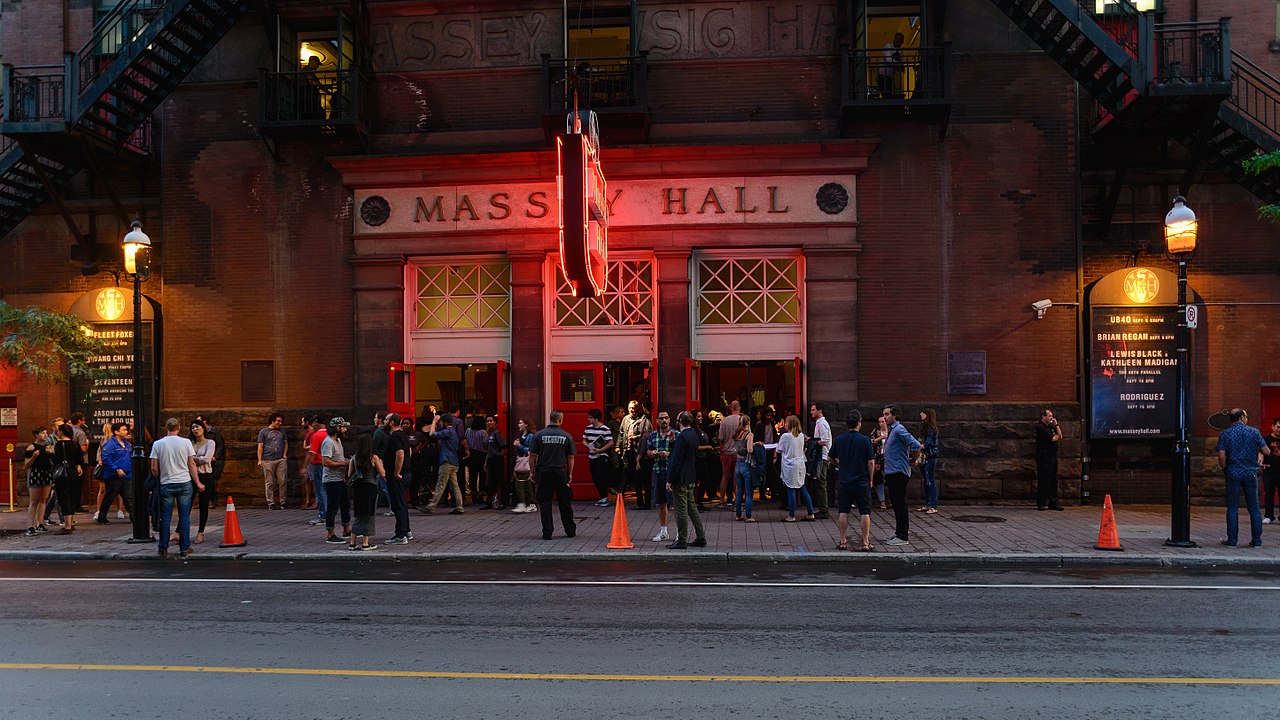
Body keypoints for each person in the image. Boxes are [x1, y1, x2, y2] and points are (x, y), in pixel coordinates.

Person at [1215, 408, 1270, 547]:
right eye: (1246, 416)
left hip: (1233, 472)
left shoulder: (1225, 434)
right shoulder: (1254, 432)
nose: (1247, 419)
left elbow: (1221, 456)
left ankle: (1232, 540)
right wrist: (1257, 450)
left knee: (1233, 507)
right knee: (1254, 508)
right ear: (1241, 418)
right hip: (1250, 473)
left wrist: (1224, 467)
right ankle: (1256, 540)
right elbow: (1267, 451)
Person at [150, 418, 203, 559]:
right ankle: (184, 548)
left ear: (166, 428)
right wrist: (197, 482)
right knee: (184, 517)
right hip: (184, 482)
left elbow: (154, 468)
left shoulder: (157, 444)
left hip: (166, 482)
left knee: (165, 517)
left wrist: (158, 476)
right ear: (178, 427)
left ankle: (163, 548)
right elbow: (191, 464)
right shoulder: (186, 442)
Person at [829, 410, 877, 552]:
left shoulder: (839, 440)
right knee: (864, 511)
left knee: (843, 511)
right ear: (859, 423)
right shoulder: (865, 440)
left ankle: (843, 541)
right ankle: (865, 542)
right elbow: (871, 462)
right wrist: (871, 479)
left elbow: (830, 457)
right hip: (861, 480)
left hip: (845, 480)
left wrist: (839, 463)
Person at [529, 409, 576, 540]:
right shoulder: (566, 436)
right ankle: (570, 530)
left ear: (550, 419)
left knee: (545, 502)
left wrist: (532, 472)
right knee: (564, 501)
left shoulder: (538, 435)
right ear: (560, 420)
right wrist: (570, 473)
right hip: (560, 472)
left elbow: (532, 456)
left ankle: (547, 532)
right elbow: (570, 457)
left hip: (544, 472)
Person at [665, 411, 707, 549]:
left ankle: (681, 539)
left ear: (680, 421)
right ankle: (700, 536)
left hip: (680, 478)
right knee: (692, 508)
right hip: (690, 475)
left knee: (681, 509)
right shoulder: (693, 435)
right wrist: (673, 442)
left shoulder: (682, 437)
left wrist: (670, 479)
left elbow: (676, 459)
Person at [881, 405, 921, 545]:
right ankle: (898, 532)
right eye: (884, 415)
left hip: (899, 472)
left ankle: (903, 536)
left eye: (887, 414)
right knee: (896, 504)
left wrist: (913, 460)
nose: (885, 417)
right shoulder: (892, 430)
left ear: (894, 416)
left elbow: (916, 445)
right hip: (892, 472)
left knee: (900, 504)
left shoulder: (899, 429)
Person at [424, 412, 465, 515]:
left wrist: (434, 421)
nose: (440, 424)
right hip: (454, 462)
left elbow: (432, 434)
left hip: (446, 461)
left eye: (441, 422)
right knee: (455, 486)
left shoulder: (448, 432)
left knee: (440, 485)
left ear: (445, 422)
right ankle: (459, 506)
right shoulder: (453, 432)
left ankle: (432, 506)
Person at [347, 432, 383, 551]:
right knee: (369, 514)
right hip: (370, 488)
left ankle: (352, 542)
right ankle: (365, 543)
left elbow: (349, 474)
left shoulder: (354, 458)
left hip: (358, 488)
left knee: (358, 514)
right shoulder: (373, 458)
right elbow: (382, 473)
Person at [380, 413, 411, 544]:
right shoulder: (403, 435)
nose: (384, 421)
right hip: (406, 473)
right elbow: (409, 451)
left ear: (392, 422)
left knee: (398, 504)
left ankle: (400, 535)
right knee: (402, 503)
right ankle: (406, 531)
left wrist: (396, 472)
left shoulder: (394, 437)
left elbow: (400, 454)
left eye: (386, 420)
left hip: (398, 476)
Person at [778, 415, 815, 522]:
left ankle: (792, 515)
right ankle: (810, 512)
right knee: (802, 488)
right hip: (800, 464)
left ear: (790, 424)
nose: (785, 424)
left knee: (790, 489)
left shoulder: (785, 436)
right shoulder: (801, 436)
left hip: (790, 465)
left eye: (786, 422)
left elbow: (779, 449)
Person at [646, 411, 676, 541]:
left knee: (675, 504)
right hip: (658, 471)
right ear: (657, 421)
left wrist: (668, 454)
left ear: (669, 420)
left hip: (672, 473)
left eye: (666, 418)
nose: (664, 420)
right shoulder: (653, 435)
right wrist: (652, 452)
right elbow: (647, 451)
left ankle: (680, 533)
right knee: (661, 503)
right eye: (661, 419)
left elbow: (679, 453)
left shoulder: (676, 434)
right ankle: (663, 531)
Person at [321, 417, 352, 544]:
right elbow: (326, 461)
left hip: (340, 478)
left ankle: (346, 529)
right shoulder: (328, 442)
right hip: (331, 480)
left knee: (345, 505)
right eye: (343, 427)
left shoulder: (338, 440)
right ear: (337, 428)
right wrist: (343, 463)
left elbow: (338, 457)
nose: (345, 429)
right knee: (333, 506)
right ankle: (330, 533)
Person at [96, 422, 133, 525]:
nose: (126, 432)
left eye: (126, 430)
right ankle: (102, 517)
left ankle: (134, 517)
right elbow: (106, 459)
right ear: (116, 432)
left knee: (128, 496)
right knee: (110, 496)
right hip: (113, 476)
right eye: (124, 430)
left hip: (127, 474)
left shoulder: (127, 444)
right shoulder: (110, 444)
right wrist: (116, 469)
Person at [619, 401, 653, 509]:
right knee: (634, 477)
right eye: (630, 408)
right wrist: (618, 446)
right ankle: (639, 502)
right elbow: (621, 433)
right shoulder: (625, 419)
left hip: (641, 452)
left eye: (633, 408)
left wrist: (636, 437)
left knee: (643, 479)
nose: (631, 410)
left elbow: (647, 434)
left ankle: (645, 503)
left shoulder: (644, 420)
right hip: (629, 451)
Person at [21, 427, 54, 537]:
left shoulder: (47, 447)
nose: (45, 435)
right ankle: (30, 526)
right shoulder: (31, 447)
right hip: (35, 473)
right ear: (36, 435)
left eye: (46, 433)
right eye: (42, 433)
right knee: (34, 500)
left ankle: (40, 523)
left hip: (46, 473)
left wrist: (52, 454)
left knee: (43, 499)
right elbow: (26, 466)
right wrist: (34, 457)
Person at [51, 424, 83, 534]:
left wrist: (50, 454)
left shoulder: (60, 444)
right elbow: (80, 458)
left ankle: (67, 526)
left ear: (62, 432)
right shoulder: (75, 443)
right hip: (73, 472)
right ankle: (71, 522)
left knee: (63, 498)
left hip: (63, 473)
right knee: (72, 496)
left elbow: (56, 460)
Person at [190, 419, 217, 544]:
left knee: (203, 505)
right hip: (191, 477)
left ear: (203, 428)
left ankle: (200, 532)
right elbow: (185, 459)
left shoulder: (210, 442)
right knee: (186, 505)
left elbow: (206, 459)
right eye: (193, 427)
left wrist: (192, 459)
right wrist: (195, 459)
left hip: (205, 476)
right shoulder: (189, 443)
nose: (195, 429)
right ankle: (178, 531)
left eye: (197, 427)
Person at [583, 409, 615, 507]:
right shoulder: (588, 428)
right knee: (595, 477)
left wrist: (601, 450)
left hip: (602, 456)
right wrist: (588, 445)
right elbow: (584, 440)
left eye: (590, 417)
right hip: (592, 455)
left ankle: (604, 497)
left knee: (601, 476)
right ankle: (602, 497)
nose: (588, 419)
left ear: (596, 418)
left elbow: (610, 442)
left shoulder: (605, 429)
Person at [257, 413, 289, 510]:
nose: (280, 423)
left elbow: (286, 443)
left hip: (280, 460)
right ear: (272, 421)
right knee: (269, 482)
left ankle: (283, 502)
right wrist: (259, 459)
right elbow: (260, 446)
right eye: (278, 421)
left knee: (282, 481)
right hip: (267, 460)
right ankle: (271, 502)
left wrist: (284, 455)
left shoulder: (282, 431)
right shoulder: (263, 432)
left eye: (281, 421)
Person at [1035, 409, 1064, 511]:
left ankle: (1053, 502)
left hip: (1052, 456)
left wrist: (1056, 425)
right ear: (1043, 417)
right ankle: (1041, 502)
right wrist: (1056, 435)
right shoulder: (1040, 427)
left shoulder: (1050, 427)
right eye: (1049, 416)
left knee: (1053, 480)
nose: (1051, 418)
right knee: (1044, 479)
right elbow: (1054, 438)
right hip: (1044, 457)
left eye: (1052, 416)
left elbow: (1060, 436)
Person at [716, 401, 745, 505]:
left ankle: (722, 500)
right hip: (739, 453)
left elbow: (721, 439)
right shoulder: (742, 420)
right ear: (739, 408)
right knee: (737, 477)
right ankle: (737, 500)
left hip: (727, 452)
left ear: (731, 408)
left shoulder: (724, 421)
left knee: (725, 476)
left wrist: (721, 453)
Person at [730, 417, 756, 522]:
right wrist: (755, 447)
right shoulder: (749, 435)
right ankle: (749, 516)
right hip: (746, 463)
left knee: (739, 490)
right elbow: (749, 450)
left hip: (738, 464)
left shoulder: (737, 434)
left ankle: (738, 515)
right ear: (748, 423)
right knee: (749, 492)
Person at [809, 402, 832, 519]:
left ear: (820, 410)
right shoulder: (819, 423)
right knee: (819, 482)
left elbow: (825, 440)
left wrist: (813, 442)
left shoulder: (822, 424)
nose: (811, 412)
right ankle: (823, 508)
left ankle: (824, 509)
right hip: (821, 456)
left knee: (821, 483)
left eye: (813, 410)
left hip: (822, 457)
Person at [306, 416, 329, 525]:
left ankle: (323, 514)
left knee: (320, 490)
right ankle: (328, 513)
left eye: (314, 422)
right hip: (329, 465)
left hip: (319, 464)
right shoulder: (330, 434)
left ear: (318, 423)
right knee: (327, 490)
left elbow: (312, 452)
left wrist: (304, 466)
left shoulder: (317, 435)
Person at [511, 418, 538, 513]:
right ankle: (531, 503)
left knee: (519, 483)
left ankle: (522, 503)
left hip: (526, 461)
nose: (519, 425)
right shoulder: (521, 436)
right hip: (520, 460)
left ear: (526, 425)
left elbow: (530, 451)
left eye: (521, 423)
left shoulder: (530, 436)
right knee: (527, 484)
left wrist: (519, 446)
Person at [917, 408, 940, 514]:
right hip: (925, 457)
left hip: (930, 457)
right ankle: (928, 504)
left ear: (928, 415)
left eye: (923, 413)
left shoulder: (931, 428)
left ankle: (933, 505)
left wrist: (916, 445)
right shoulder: (925, 427)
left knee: (930, 480)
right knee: (926, 481)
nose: (921, 414)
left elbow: (926, 444)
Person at [464, 415, 488, 506]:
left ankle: (473, 495)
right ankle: (481, 495)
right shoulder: (483, 432)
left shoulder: (468, 430)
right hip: (481, 455)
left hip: (471, 454)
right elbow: (486, 444)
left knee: (472, 475)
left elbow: (465, 440)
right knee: (482, 475)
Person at [1263, 418, 1280, 525]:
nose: (1279, 429)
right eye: (1278, 427)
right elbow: (1260, 452)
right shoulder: (1266, 439)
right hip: (1270, 471)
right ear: (1273, 426)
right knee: (1269, 494)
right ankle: (1269, 516)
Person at [878, 32, 905, 99]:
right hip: (882, 75)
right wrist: (898, 63)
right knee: (885, 94)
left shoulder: (901, 52)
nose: (898, 40)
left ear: (902, 41)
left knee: (888, 94)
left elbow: (902, 63)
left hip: (890, 76)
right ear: (894, 39)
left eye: (900, 39)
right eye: (897, 38)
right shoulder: (888, 46)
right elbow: (888, 60)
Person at [870, 415, 888, 510]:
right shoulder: (876, 431)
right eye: (879, 422)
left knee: (890, 478)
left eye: (882, 422)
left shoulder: (892, 430)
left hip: (889, 458)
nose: (881, 424)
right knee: (878, 479)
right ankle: (882, 501)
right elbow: (871, 442)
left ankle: (891, 500)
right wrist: (881, 438)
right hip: (878, 458)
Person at [300, 416, 317, 510]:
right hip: (308, 458)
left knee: (312, 480)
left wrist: (306, 447)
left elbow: (312, 446)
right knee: (307, 480)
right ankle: (308, 500)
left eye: (303, 422)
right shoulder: (308, 433)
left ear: (307, 422)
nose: (302, 424)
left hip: (312, 459)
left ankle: (315, 501)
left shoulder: (313, 433)